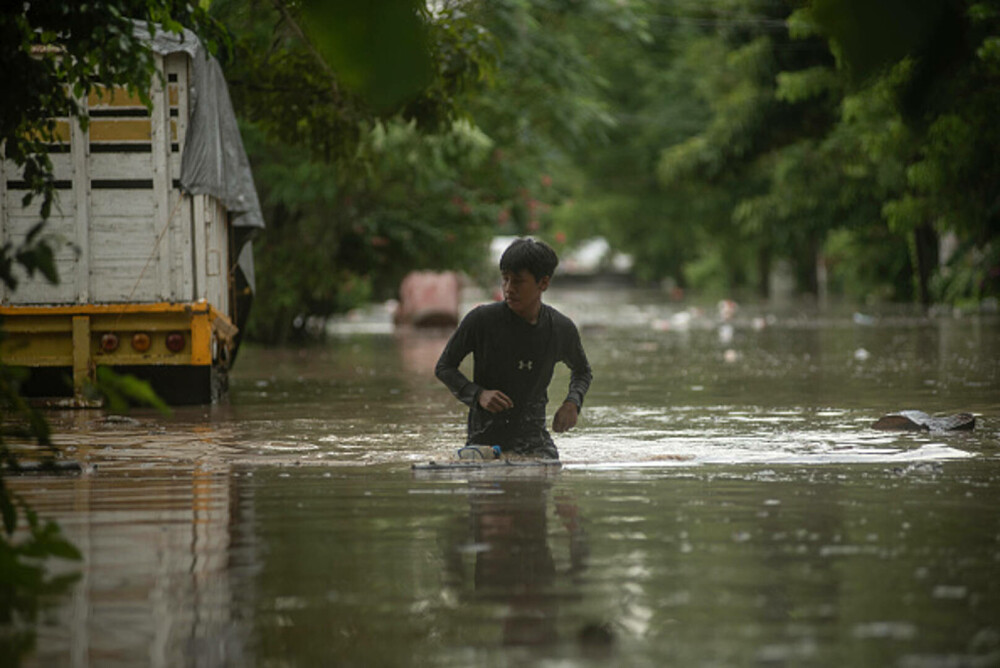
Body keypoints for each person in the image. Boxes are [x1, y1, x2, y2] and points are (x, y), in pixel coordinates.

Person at [435, 237, 593, 459]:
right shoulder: (481, 320)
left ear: (543, 283)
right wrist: (478, 394)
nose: (508, 289)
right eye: (505, 279)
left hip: (536, 441)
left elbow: (582, 371)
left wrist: (572, 403)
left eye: (518, 281)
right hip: (484, 440)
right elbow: (444, 367)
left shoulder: (560, 328)